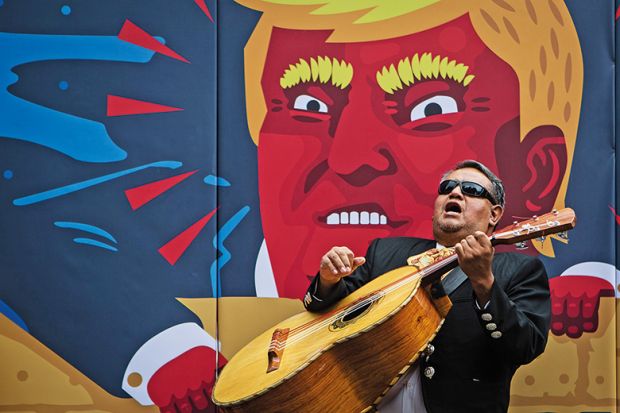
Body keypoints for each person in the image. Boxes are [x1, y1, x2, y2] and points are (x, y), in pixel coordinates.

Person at [304, 160, 551, 412]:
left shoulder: (519, 270)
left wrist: (484, 283)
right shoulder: (385, 252)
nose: (455, 193)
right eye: (447, 187)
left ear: (494, 214)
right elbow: (331, 313)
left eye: (472, 190)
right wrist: (328, 280)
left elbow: (526, 346)